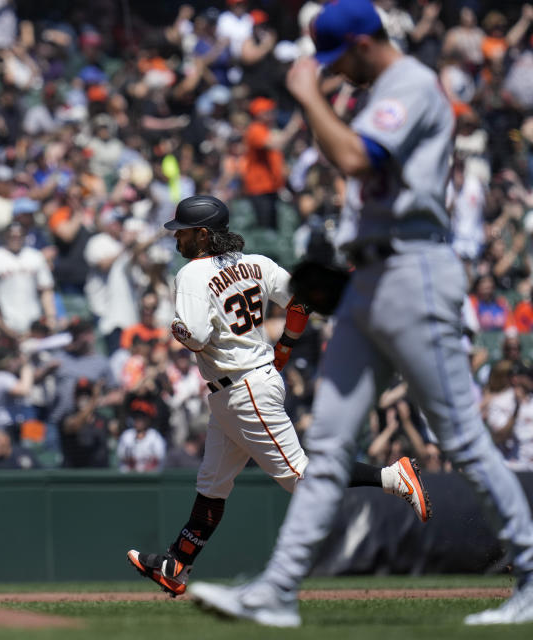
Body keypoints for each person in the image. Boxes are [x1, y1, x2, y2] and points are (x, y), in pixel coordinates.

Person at [188, 0, 533, 627]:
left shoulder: (411, 85)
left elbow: (352, 158)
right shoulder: (377, 91)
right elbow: (345, 157)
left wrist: (305, 95)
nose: (331, 72)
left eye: (335, 58)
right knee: (328, 445)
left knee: (460, 436)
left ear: (364, 43)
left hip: (414, 270)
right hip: (368, 274)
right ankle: (277, 591)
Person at [127, 195, 431, 599]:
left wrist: (176, 329)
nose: (176, 238)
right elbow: (303, 299)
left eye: (182, 231)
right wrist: (285, 346)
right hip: (242, 386)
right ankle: (176, 565)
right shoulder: (256, 263)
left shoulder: (191, 276)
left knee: (301, 479)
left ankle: (394, 477)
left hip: (243, 387)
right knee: (212, 485)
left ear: (202, 234)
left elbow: (197, 337)